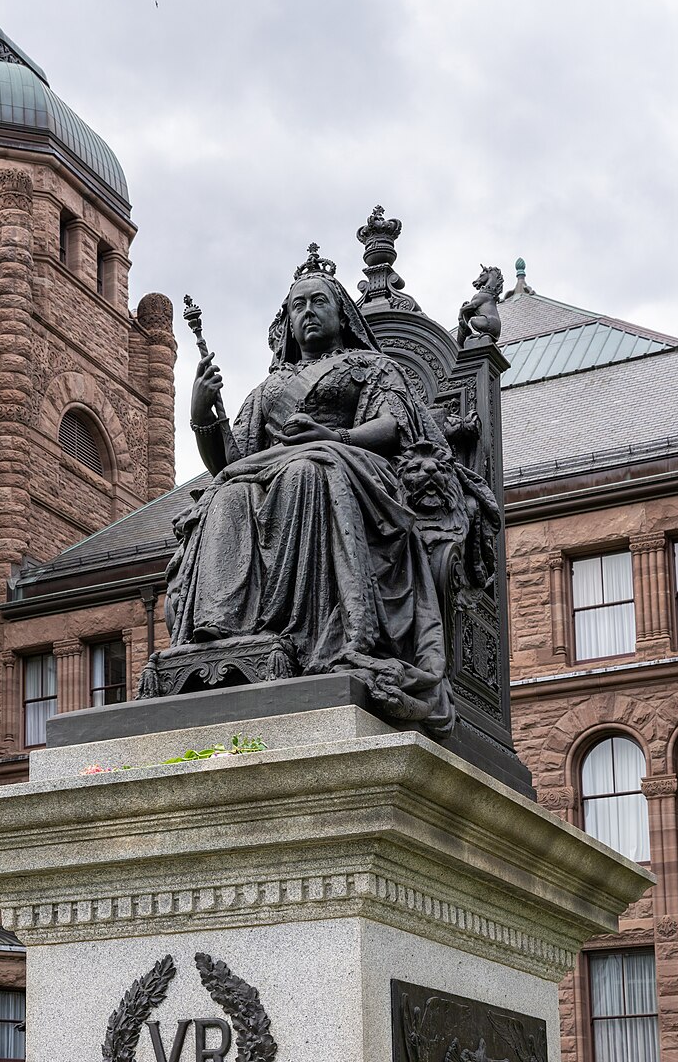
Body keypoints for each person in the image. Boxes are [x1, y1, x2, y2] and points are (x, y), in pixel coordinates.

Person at [163, 243, 469, 731]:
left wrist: (334, 436)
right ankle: (220, 630)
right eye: (297, 305)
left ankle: (301, 633)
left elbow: (394, 424)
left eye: (317, 301)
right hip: (270, 472)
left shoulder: (372, 367)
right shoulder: (267, 389)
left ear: (341, 314)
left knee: (306, 468)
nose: (307, 311)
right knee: (228, 492)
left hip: (349, 467)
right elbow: (234, 459)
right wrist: (202, 413)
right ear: (287, 319)